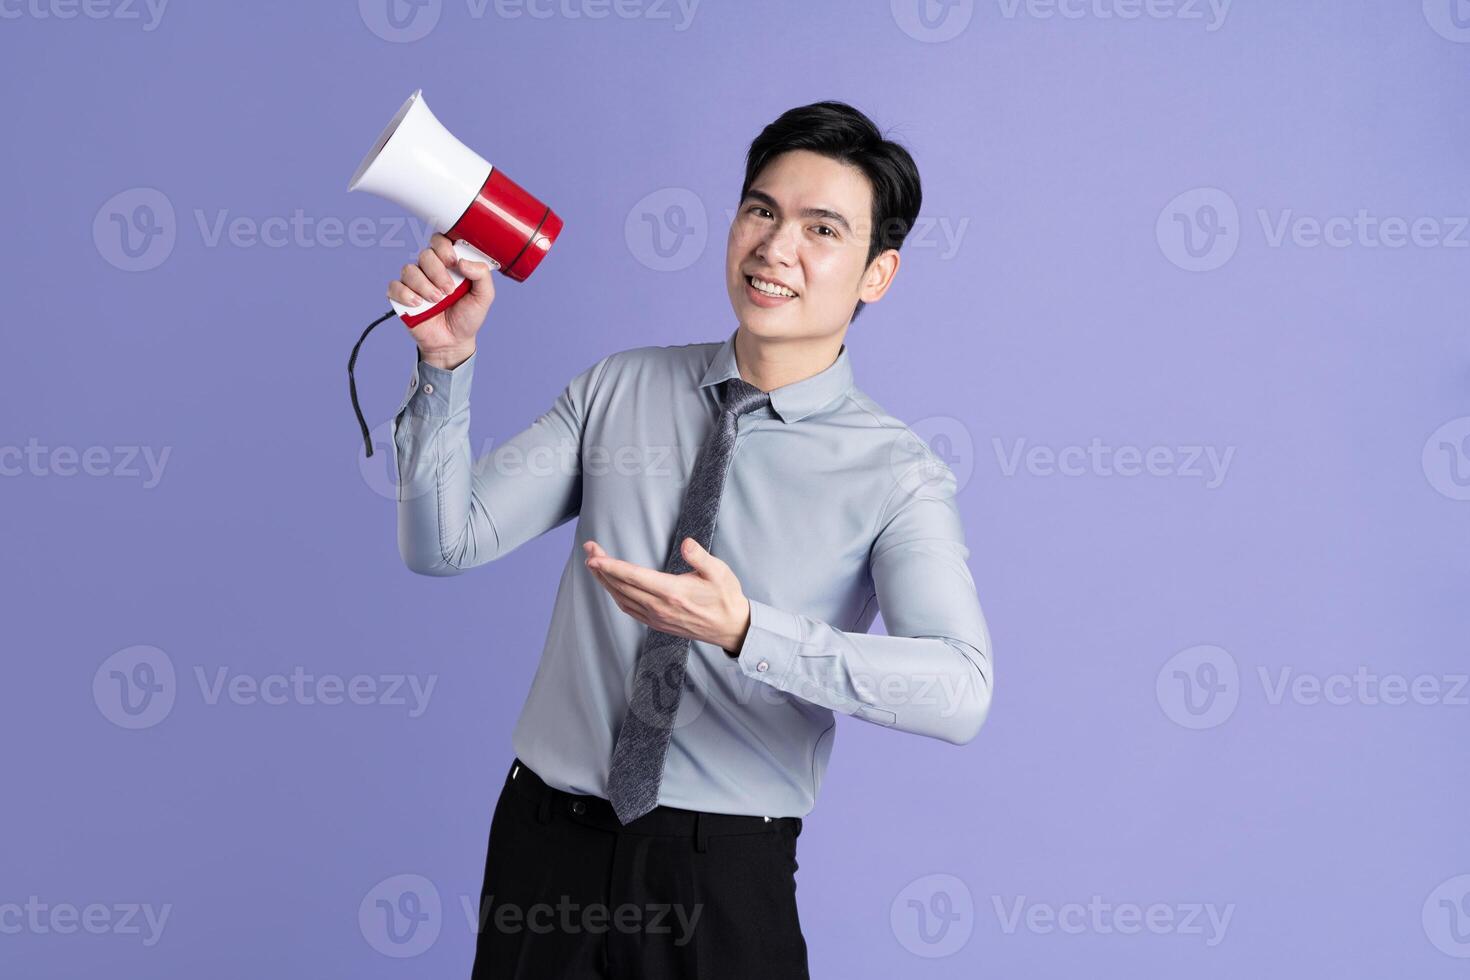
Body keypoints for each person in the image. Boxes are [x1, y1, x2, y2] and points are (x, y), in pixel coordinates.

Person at [385, 101, 993, 979]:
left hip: (720, 880)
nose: (776, 248)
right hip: (542, 847)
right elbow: (445, 543)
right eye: (761, 210)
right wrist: (444, 367)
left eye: (822, 229)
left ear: (877, 274)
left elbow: (961, 689)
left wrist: (749, 631)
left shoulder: (896, 474)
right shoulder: (620, 387)